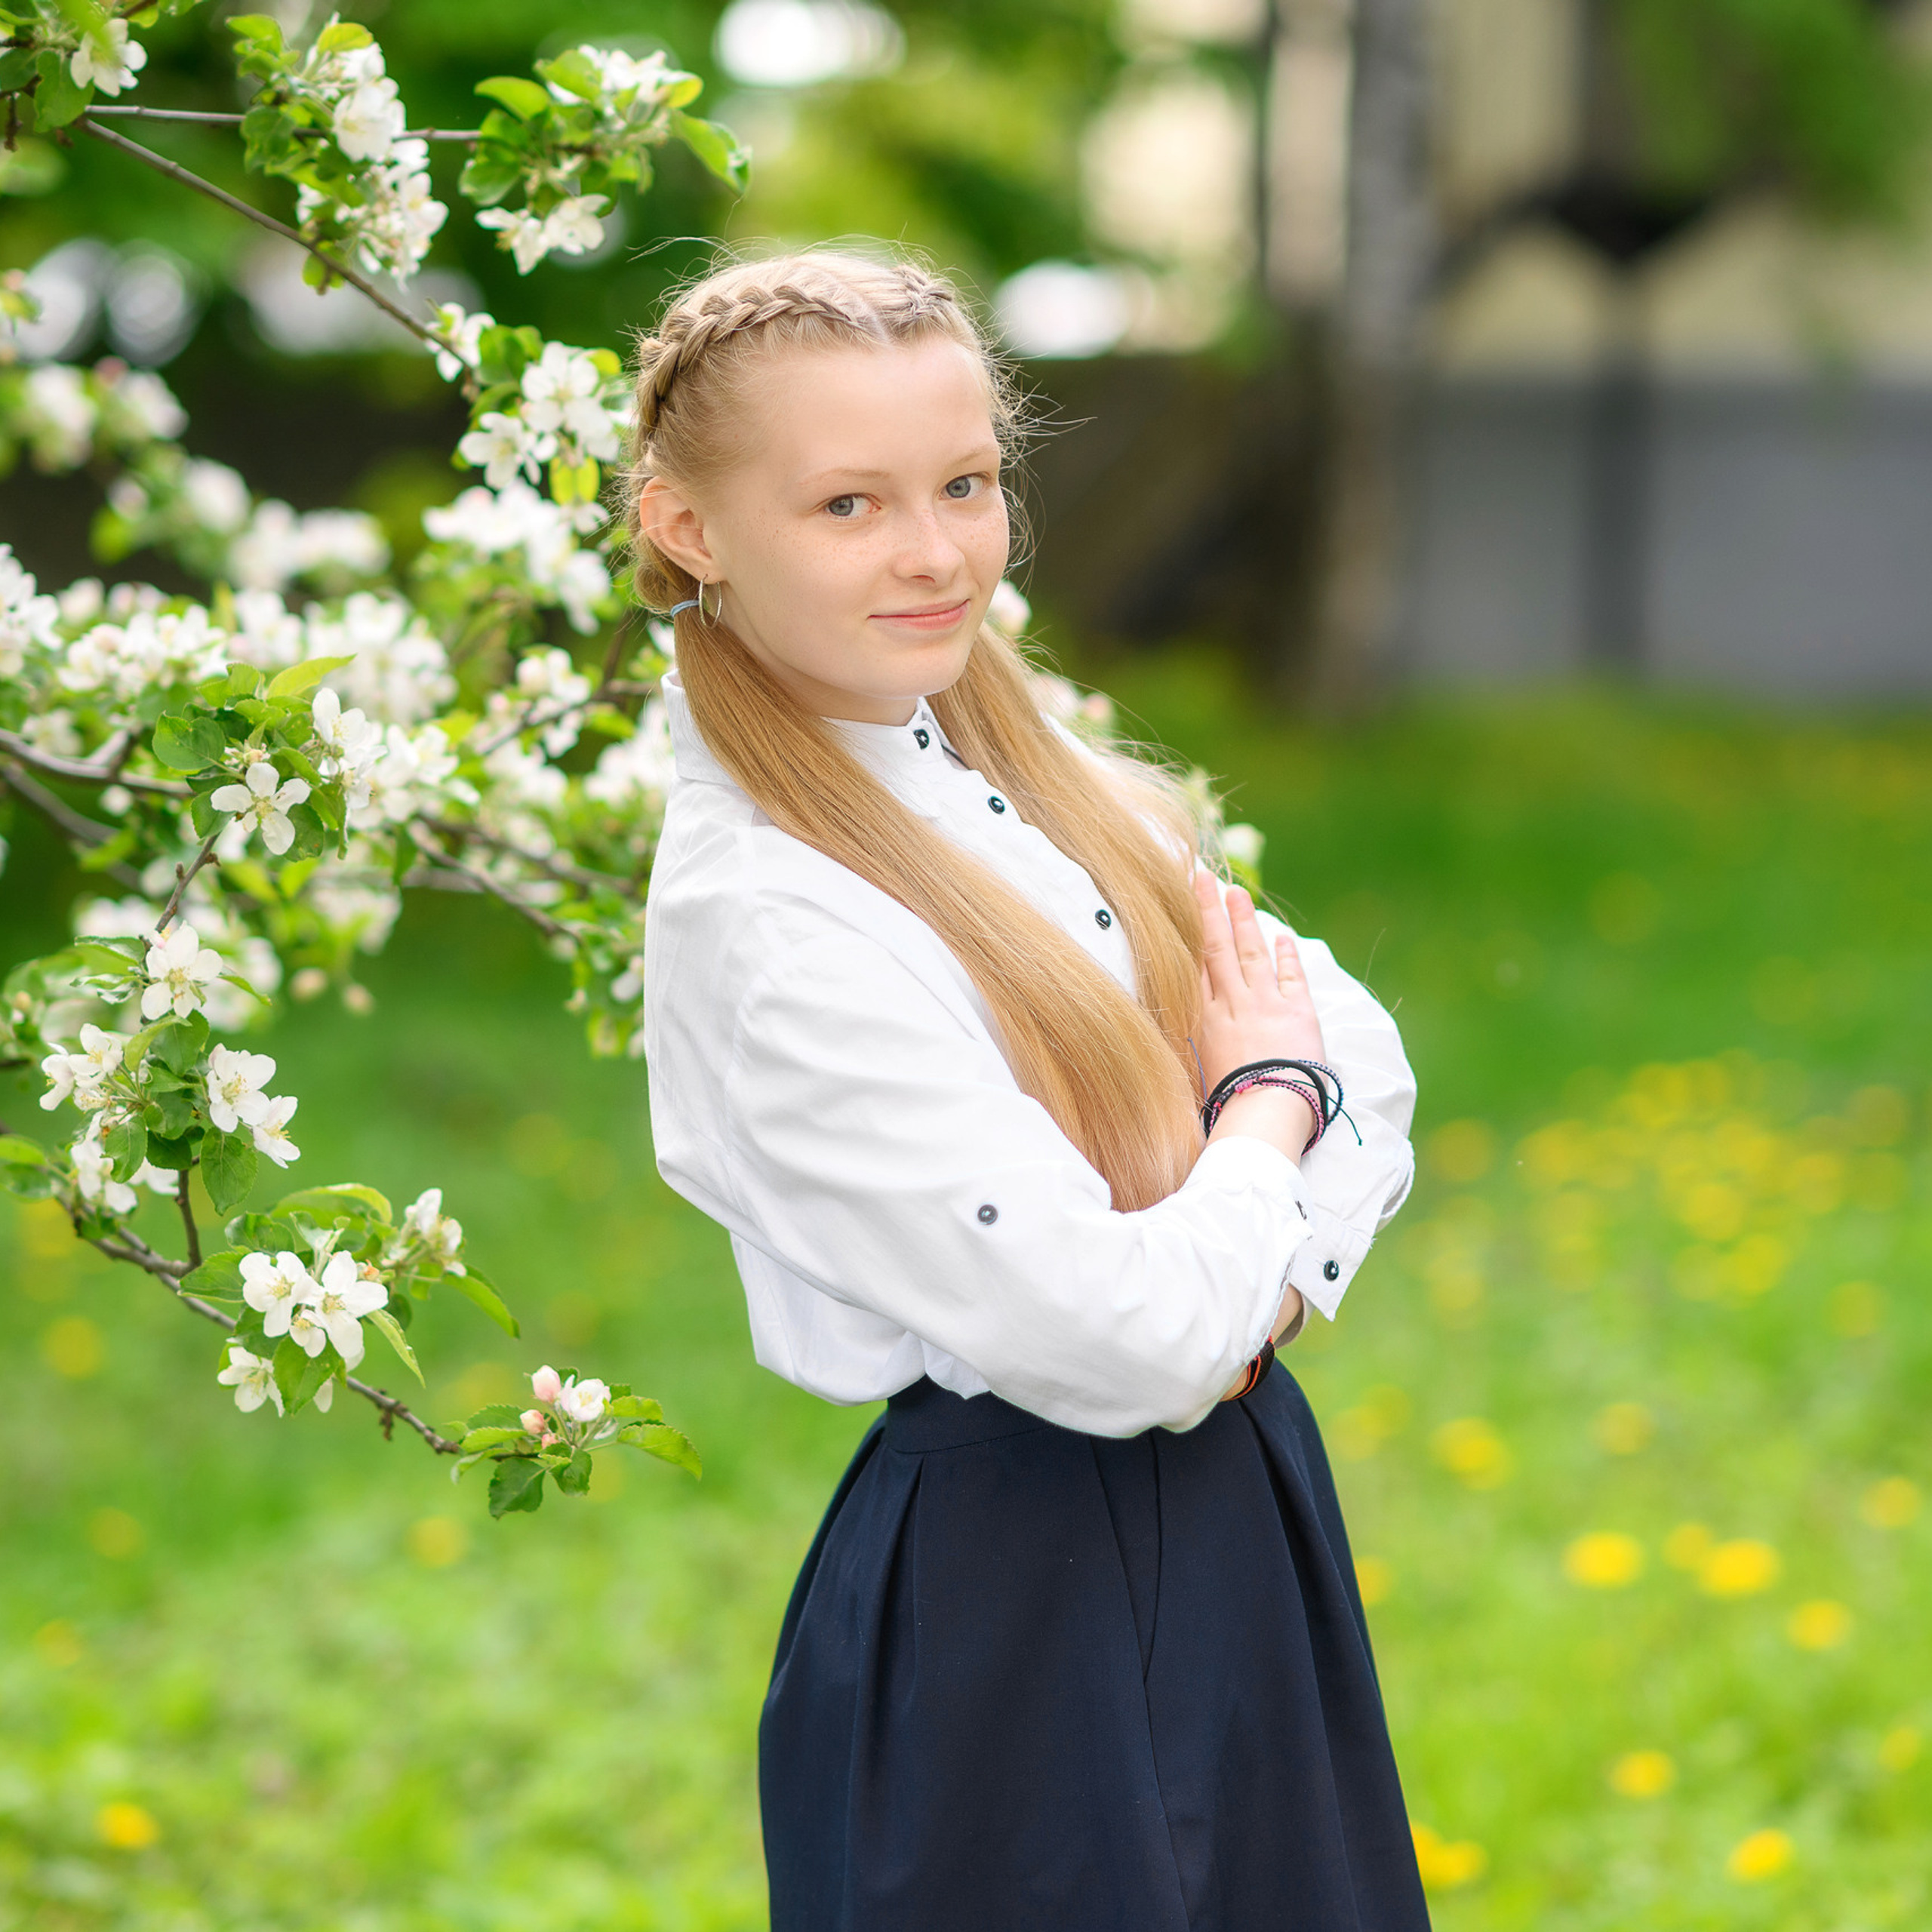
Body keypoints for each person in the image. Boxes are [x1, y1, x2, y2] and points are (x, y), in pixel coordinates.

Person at [629, 248, 1429, 1932]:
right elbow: (1138, 1327)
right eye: (847, 504)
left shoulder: (1003, 751)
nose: (935, 553)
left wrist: (1240, 1289)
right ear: (690, 528)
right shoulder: (770, 917)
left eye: (965, 484)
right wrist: (1258, 1115)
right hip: (1020, 1603)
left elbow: (1355, 1042)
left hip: (1236, 1509)